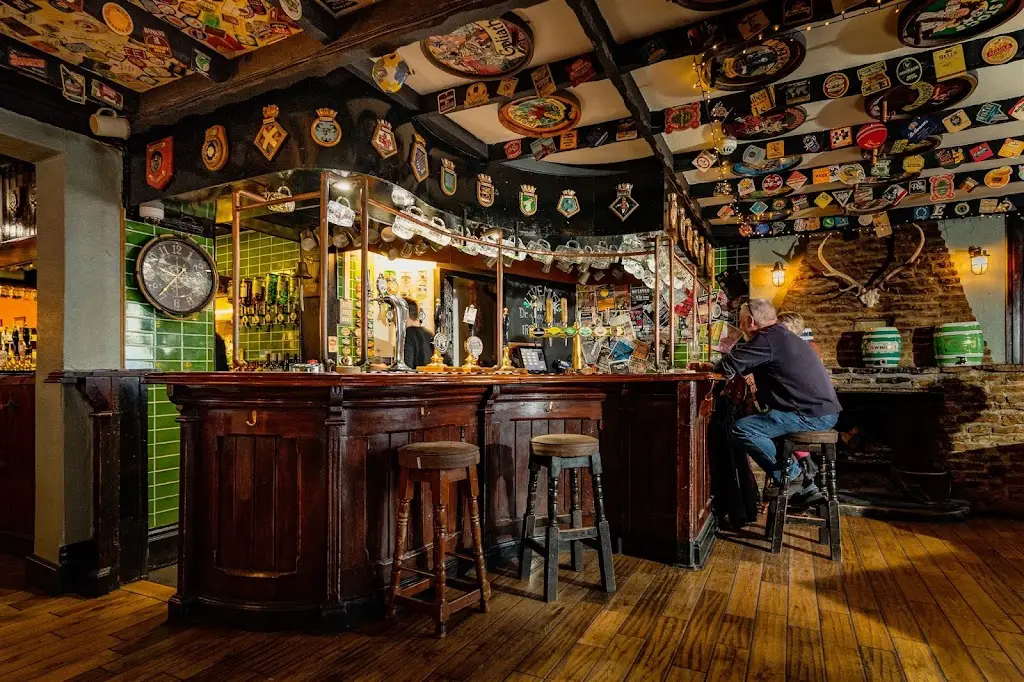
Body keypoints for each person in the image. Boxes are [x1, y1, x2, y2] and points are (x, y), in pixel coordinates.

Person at [713, 299, 841, 505]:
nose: (740, 325)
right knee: (761, 426)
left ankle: (794, 476)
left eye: (741, 320)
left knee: (743, 429)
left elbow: (727, 365)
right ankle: (808, 487)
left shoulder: (767, 340)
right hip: (821, 411)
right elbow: (747, 364)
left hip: (812, 415)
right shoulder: (781, 336)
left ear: (751, 321)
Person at [403, 298, 434, 369]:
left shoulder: (407, 334)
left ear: (404, 314)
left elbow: (406, 368)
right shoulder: (429, 334)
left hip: (414, 379)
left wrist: (384, 369)